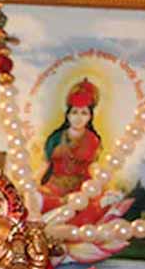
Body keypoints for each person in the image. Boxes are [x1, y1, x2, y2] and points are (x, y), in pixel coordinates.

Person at [37, 79, 102, 213]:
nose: (78, 118)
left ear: (90, 116)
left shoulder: (93, 140)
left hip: (83, 191)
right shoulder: (55, 138)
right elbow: (44, 165)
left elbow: (94, 167)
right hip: (54, 188)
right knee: (38, 200)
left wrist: (100, 181)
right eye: (74, 112)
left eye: (84, 113)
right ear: (68, 115)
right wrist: (32, 184)